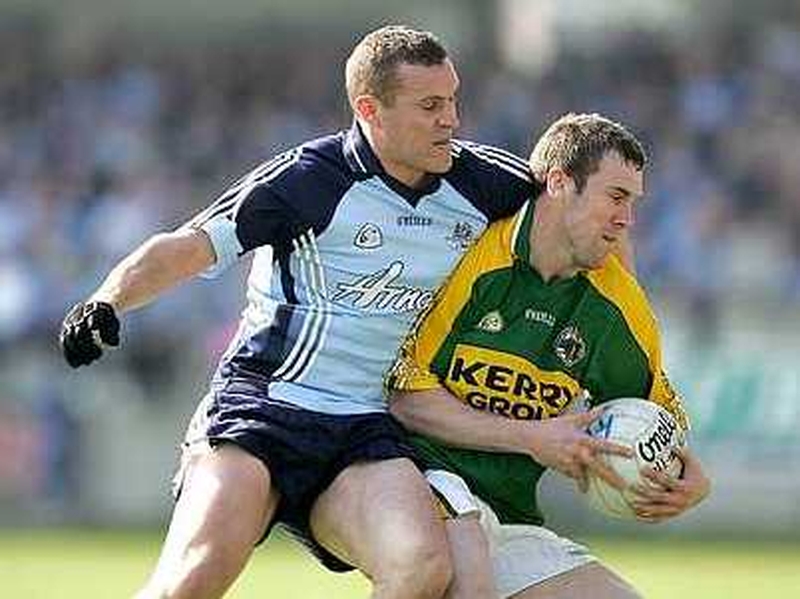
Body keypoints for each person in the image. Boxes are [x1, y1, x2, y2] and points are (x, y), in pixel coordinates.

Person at [59, 25, 633, 599]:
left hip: (368, 430)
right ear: (370, 110)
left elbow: (582, 211)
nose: (451, 120)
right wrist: (107, 300)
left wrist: (621, 306)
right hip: (263, 408)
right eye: (430, 106)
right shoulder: (308, 179)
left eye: (453, 100)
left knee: (422, 568)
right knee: (195, 577)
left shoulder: (484, 182)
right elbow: (188, 245)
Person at [386, 113, 711, 599]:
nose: (627, 219)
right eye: (615, 197)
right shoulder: (471, 257)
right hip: (420, 476)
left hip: (509, 514)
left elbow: (658, 418)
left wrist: (688, 479)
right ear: (558, 183)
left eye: (633, 202)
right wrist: (534, 437)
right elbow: (404, 399)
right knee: (469, 585)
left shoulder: (618, 305)